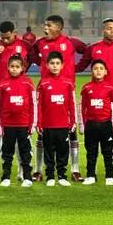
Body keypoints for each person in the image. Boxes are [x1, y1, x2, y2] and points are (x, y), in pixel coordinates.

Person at [75, 18, 113, 181]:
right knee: (94, 136)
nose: (112, 31)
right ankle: (92, 172)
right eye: (109, 28)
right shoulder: (93, 48)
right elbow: (80, 65)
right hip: (96, 98)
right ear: (103, 30)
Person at [28, 15, 87, 182]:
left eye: (48, 25)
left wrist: (77, 68)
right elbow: (30, 54)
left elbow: (88, 52)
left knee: (71, 132)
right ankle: (39, 170)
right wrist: (39, 61)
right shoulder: (40, 43)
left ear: (58, 28)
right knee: (42, 133)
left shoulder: (71, 42)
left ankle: (74, 169)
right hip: (45, 91)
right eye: (45, 25)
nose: (45, 28)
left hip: (66, 91)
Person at [0, 21, 31, 181]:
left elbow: (31, 60)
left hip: (19, 93)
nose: (4, 40)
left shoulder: (25, 45)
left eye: (7, 37)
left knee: (21, 134)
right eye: (2, 37)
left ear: (14, 32)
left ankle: (20, 171)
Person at [0, 54, 36, 187]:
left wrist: (32, 124)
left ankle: (27, 176)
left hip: (24, 125)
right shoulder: (3, 84)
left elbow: (33, 104)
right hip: (8, 125)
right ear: (8, 68)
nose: (14, 69)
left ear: (22, 68)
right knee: (7, 152)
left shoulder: (28, 83)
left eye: (17, 67)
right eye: (12, 66)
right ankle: (6, 176)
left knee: (25, 152)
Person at [79, 60, 113, 186]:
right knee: (91, 152)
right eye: (95, 68)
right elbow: (81, 106)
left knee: (108, 151)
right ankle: (91, 175)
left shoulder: (110, 88)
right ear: (91, 71)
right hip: (91, 125)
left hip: (106, 125)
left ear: (105, 72)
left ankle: (109, 175)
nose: (98, 71)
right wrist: (82, 124)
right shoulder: (87, 88)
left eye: (101, 68)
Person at [36, 51, 76, 187]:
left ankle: (62, 175)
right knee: (48, 152)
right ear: (47, 65)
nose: (55, 66)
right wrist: (39, 122)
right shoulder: (43, 83)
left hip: (63, 124)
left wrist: (73, 121)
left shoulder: (68, 84)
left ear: (62, 65)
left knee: (63, 151)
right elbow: (39, 105)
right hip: (48, 125)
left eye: (57, 63)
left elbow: (72, 104)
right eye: (52, 63)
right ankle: (50, 176)